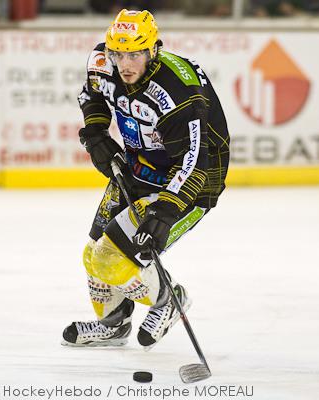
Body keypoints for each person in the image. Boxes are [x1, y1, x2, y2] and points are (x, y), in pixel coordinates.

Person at [61, 9, 230, 349]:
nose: (125, 63)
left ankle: (169, 300)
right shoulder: (102, 61)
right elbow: (92, 95)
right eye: (118, 53)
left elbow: (195, 163)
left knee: (116, 255)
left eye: (135, 53)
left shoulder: (179, 94)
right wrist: (95, 133)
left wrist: (166, 212)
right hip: (138, 167)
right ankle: (113, 323)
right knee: (94, 253)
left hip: (190, 182)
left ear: (153, 50)